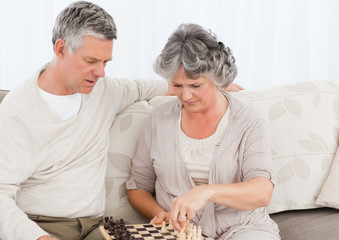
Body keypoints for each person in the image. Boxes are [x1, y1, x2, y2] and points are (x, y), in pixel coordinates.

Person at [0, 1, 170, 240]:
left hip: (96, 229)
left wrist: (206, 85)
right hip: (42, 228)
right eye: (91, 61)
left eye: (105, 62)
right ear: (61, 49)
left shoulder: (104, 90)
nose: (101, 72)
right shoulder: (18, 110)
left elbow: (146, 87)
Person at [126, 23, 280, 240]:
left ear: (218, 79)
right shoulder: (159, 120)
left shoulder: (249, 122)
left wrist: (207, 192)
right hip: (181, 233)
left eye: (195, 86)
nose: (185, 96)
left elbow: (263, 192)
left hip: (244, 229)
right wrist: (162, 214)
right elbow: (137, 186)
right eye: (177, 86)